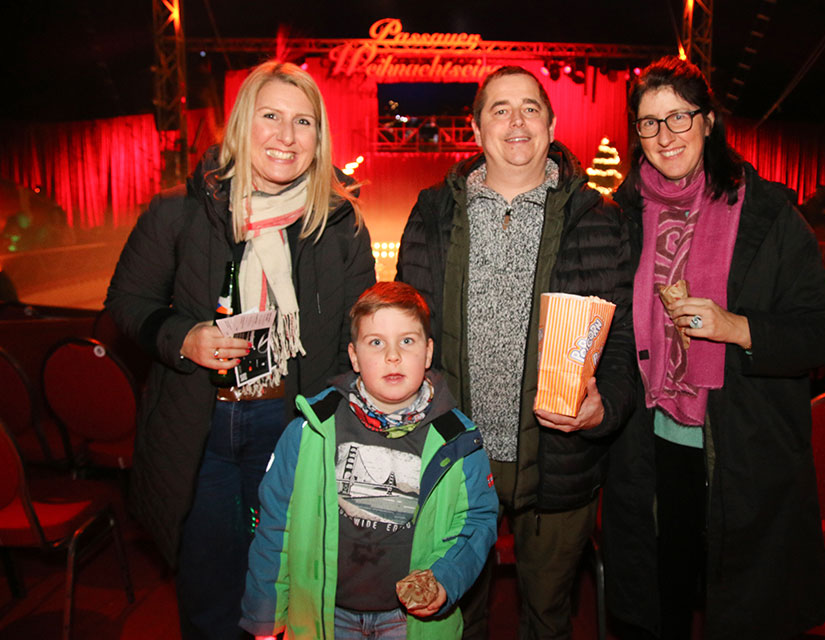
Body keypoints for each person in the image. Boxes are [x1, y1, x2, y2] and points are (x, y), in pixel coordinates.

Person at [105, 60, 375, 639]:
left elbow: (354, 341)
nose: (286, 136)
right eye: (271, 116)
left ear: (319, 138)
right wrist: (184, 337)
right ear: (242, 124)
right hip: (197, 427)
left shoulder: (342, 225)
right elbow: (127, 300)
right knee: (209, 591)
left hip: (291, 426)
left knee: (288, 590)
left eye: (303, 122)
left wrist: (329, 427)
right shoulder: (178, 211)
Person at [603, 56, 825, 640]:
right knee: (662, 599)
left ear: (708, 121)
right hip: (649, 447)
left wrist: (737, 327)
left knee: (741, 607)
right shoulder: (621, 215)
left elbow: (824, 332)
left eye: (679, 118)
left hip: (743, 447)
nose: (665, 136)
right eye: (649, 122)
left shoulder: (769, 214)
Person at [396, 66, 636, 639]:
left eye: (530, 108)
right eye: (500, 110)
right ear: (476, 129)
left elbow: (624, 341)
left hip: (559, 459)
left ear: (551, 124)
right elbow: (407, 331)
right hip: (455, 454)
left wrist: (605, 408)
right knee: (455, 616)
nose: (516, 122)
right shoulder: (433, 212)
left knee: (548, 617)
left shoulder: (598, 218)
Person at [240, 281, 498, 639]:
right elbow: (275, 526)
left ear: (427, 353)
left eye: (407, 341)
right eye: (376, 342)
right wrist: (264, 616)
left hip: (407, 623)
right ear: (354, 356)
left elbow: (477, 520)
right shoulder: (310, 431)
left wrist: (445, 578)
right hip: (325, 615)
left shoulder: (458, 439)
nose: (393, 356)